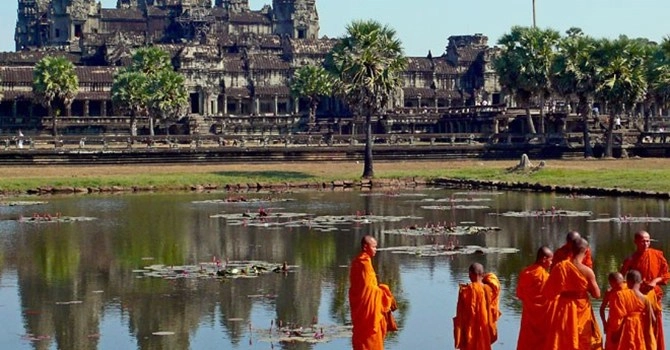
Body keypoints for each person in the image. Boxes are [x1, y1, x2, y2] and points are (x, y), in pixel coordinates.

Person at [542, 238, 603, 350]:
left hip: (564, 307)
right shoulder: (587, 271)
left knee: (563, 339)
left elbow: (547, 293)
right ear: (586, 251)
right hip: (582, 307)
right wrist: (585, 288)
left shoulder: (560, 267)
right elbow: (597, 294)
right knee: (583, 339)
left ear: (571, 249)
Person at [620, 230, 670, 349]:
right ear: (636, 242)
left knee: (654, 324)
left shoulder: (657, 255)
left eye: (648, 241)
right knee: (638, 324)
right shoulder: (631, 258)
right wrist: (626, 266)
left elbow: (667, 274)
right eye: (643, 241)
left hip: (653, 295)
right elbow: (622, 277)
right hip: (637, 297)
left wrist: (655, 281)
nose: (646, 244)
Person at [349, 235, 396, 350]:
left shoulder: (360, 262)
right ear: (365, 247)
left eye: (376, 247)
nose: (376, 249)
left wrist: (379, 290)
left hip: (365, 309)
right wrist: (384, 292)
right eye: (374, 247)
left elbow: (365, 288)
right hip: (366, 312)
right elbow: (366, 289)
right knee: (368, 337)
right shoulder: (363, 263)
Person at [605, 270, 656, 350]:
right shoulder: (645, 298)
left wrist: (616, 333)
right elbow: (653, 319)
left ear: (627, 282)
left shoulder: (620, 295)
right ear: (641, 282)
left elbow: (616, 317)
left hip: (624, 330)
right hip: (639, 331)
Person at [453, 263, 501, 350]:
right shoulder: (489, 290)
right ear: (483, 274)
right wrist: (484, 277)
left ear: (470, 274)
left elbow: (460, 316)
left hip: (469, 332)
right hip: (484, 330)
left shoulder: (465, 291)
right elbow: (494, 280)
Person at [516, 246, 553, 350]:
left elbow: (519, 294)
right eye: (551, 260)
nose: (551, 263)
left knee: (527, 344)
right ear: (544, 259)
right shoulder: (546, 277)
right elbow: (553, 297)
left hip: (529, 318)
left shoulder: (525, 273)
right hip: (544, 320)